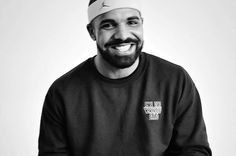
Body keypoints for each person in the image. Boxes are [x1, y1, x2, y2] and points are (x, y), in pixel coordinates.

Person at [38, 0, 212, 155]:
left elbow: (193, 149)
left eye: (132, 22)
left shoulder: (175, 80)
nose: (122, 34)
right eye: (108, 25)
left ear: (142, 24)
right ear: (92, 32)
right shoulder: (63, 92)